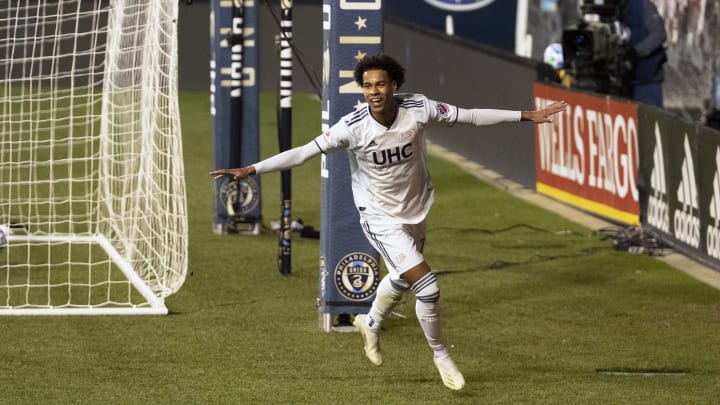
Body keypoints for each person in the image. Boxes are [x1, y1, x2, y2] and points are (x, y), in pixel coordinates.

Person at [210, 54, 568, 390]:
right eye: (367, 86)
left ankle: (371, 323)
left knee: (400, 277)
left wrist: (526, 115)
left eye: (380, 84)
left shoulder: (419, 107)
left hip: (417, 207)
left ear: (394, 85)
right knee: (427, 287)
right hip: (380, 217)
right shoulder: (351, 128)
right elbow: (303, 153)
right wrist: (253, 169)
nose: (373, 92)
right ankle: (442, 355)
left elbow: (470, 115)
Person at [621, 0, 667, 107]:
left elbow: (659, 34)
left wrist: (635, 51)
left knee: (650, 119)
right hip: (616, 80)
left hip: (646, 78)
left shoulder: (643, 6)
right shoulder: (602, 9)